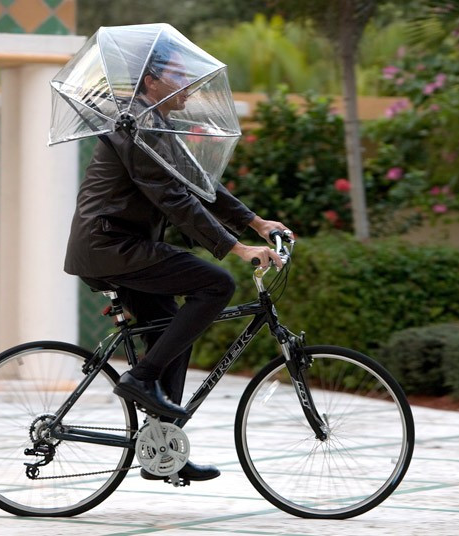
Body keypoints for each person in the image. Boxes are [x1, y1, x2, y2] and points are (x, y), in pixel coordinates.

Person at [63, 40, 291, 483]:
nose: (188, 84)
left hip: (124, 246)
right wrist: (236, 248)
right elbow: (172, 199)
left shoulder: (155, 123)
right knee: (216, 285)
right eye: (179, 76)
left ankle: (162, 450)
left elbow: (200, 182)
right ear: (152, 80)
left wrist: (256, 223)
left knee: (174, 330)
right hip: (110, 246)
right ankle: (141, 379)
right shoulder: (130, 125)